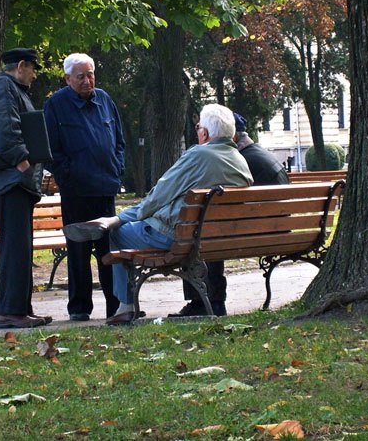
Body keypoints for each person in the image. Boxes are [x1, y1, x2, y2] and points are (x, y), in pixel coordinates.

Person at [63, 104, 253, 325]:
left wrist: (118, 218)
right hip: (219, 238)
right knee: (134, 225)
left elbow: (157, 197)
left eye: (198, 126)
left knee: (117, 233)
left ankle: (125, 306)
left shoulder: (198, 155)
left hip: (177, 236)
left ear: (205, 133)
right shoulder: (240, 160)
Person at [169, 112, 290, 317]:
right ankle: (209, 301)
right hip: (277, 232)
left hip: (252, 234)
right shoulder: (259, 155)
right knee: (210, 229)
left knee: (199, 233)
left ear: (232, 137)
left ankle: (205, 303)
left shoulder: (237, 160)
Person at [44, 53, 125, 322]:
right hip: (75, 191)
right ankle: (79, 308)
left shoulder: (104, 100)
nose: (87, 80)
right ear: (68, 79)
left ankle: (116, 306)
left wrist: (117, 168)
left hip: (105, 187)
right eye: (81, 76)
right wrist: (68, 178)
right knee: (78, 252)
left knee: (108, 252)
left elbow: (119, 142)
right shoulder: (55, 105)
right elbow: (51, 150)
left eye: (90, 74)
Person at [0, 47, 51, 329]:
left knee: (21, 248)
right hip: (10, 181)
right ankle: (10, 311)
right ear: (21, 65)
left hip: (15, 183)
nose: (34, 76)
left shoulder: (12, 89)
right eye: (33, 68)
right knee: (14, 248)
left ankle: (21, 309)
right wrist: (21, 160)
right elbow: (4, 127)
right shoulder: (3, 87)